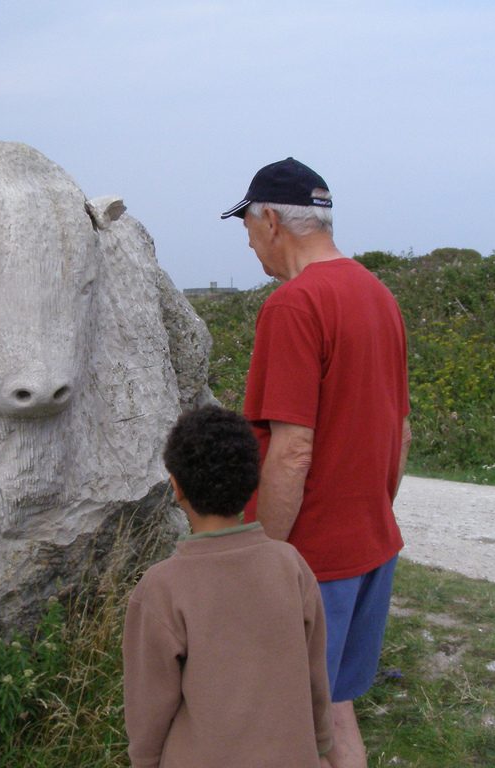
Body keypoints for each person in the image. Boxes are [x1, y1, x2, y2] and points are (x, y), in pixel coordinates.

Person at [220, 158, 412, 768]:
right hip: (372, 547)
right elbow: (400, 432)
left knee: (284, 726)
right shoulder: (378, 295)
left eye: (247, 227)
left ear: (270, 219)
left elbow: (291, 449)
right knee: (332, 709)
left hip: (311, 561)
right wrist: (370, 512)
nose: (250, 245)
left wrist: (266, 557)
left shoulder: (294, 305)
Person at [122, 404, 335, 768]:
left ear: (176, 487)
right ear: (253, 481)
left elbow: (149, 704)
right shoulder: (291, 566)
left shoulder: (162, 587)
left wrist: (144, 760)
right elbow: (316, 675)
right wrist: (323, 746)